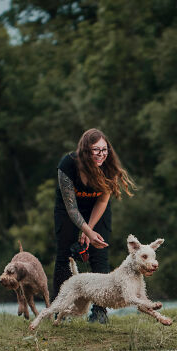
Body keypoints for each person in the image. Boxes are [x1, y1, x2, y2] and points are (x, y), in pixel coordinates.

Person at [53, 128, 135, 323]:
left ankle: (100, 312)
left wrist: (90, 230)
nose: (101, 154)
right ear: (85, 150)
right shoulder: (67, 165)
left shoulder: (109, 167)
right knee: (65, 256)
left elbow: (102, 202)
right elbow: (71, 208)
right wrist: (85, 230)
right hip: (68, 210)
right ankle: (60, 310)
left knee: (99, 256)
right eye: (95, 150)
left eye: (104, 149)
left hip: (97, 211)